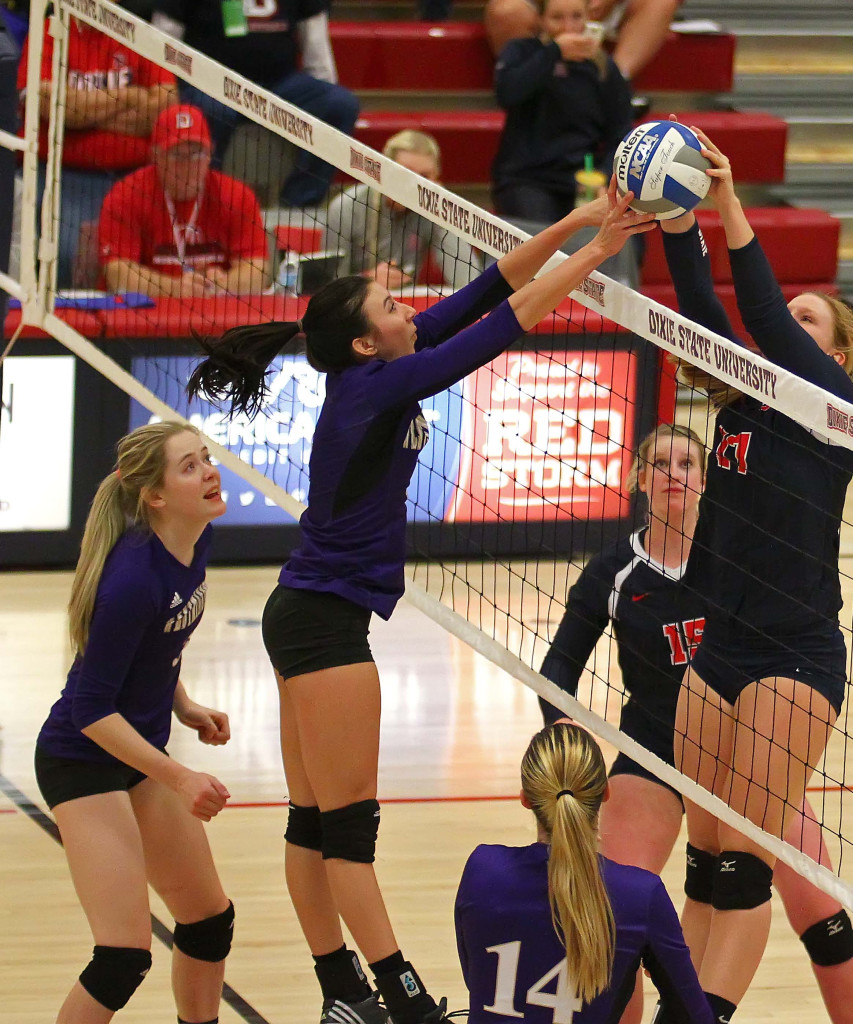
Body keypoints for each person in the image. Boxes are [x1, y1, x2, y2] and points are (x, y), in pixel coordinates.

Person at [186, 188, 657, 1024]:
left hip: (308, 611)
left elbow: (486, 290)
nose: (409, 303)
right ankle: (401, 1000)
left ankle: (341, 993)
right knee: (346, 830)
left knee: (314, 824)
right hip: (324, 621)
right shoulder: (376, 387)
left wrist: (583, 223)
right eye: (394, 303)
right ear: (369, 339)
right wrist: (594, 261)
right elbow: (500, 328)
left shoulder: (381, 364)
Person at [539, 424, 853, 1024]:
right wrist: (574, 751)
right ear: (641, 479)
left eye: (688, 463)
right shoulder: (615, 572)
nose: (674, 473)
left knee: (822, 920)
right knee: (615, 925)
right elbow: (556, 672)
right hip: (651, 754)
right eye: (660, 463)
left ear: (706, 478)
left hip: (746, 757)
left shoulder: (740, 562)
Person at [656, 126, 853, 1022]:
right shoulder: (741, 403)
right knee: (704, 863)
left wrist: (730, 205)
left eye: (815, 320)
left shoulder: (839, 411)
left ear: (839, 356)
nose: (792, 325)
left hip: (796, 653)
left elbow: (767, 319)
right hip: (722, 647)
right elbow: (704, 306)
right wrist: (675, 217)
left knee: (749, 861)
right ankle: (679, 1002)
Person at [33, 421, 234, 1024]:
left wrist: (184, 705)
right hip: (83, 760)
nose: (209, 472)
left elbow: (156, 649)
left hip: (137, 751)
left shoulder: (192, 542)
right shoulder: (131, 580)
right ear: (155, 495)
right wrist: (178, 776)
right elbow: (91, 708)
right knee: (122, 955)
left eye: (206, 459)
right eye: (190, 467)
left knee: (207, 922)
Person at [455, 723, 711, 1023]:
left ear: (525, 798)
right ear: (605, 792)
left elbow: (476, 977)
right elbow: (693, 1016)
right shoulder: (640, 895)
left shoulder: (483, 870)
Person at [152, 0, 359, 209]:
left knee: (339, 104)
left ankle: (299, 205)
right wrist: (165, 87)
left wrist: (321, 90)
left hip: (279, 84)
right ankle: (206, 206)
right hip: (212, 83)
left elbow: (316, 42)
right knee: (211, 111)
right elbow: (163, 41)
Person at [16, 17, 176, 287]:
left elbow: (165, 108)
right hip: (64, 174)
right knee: (66, 259)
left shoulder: (140, 32)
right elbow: (50, 104)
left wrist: (81, 115)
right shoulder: (50, 30)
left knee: (155, 260)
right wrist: (131, 97)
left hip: (136, 176)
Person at [98, 104, 270, 297]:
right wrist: (176, 288)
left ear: (211, 153)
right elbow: (118, 275)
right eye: (177, 154)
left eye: (197, 153)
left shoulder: (237, 196)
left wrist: (221, 285)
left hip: (213, 313)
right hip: (146, 315)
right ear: (155, 155)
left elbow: (258, 271)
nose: (188, 165)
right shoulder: (126, 194)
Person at [492, 0, 633, 225]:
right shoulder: (522, 52)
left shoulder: (603, 67)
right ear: (541, 19)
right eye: (557, 18)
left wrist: (605, 177)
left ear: (588, 17)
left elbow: (621, 132)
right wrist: (554, 52)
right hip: (526, 179)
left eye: (577, 17)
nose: (568, 27)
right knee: (540, 242)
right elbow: (507, 93)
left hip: (583, 180)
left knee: (626, 237)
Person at [323, 129, 484, 292]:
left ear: (436, 179)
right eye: (405, 174)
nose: (413, 185)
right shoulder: (346, 207)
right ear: (384, 172)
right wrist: (367, 282)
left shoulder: (432, 210)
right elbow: (328, 289)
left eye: (424, 177)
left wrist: (444, 210)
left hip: (406, 306)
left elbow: (470, 282)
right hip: (355, 306)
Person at [485, 0, 679, 80]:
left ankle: (613, 85)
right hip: (541, 7)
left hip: (607, 7)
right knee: (506, 11)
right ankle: (527, 88)